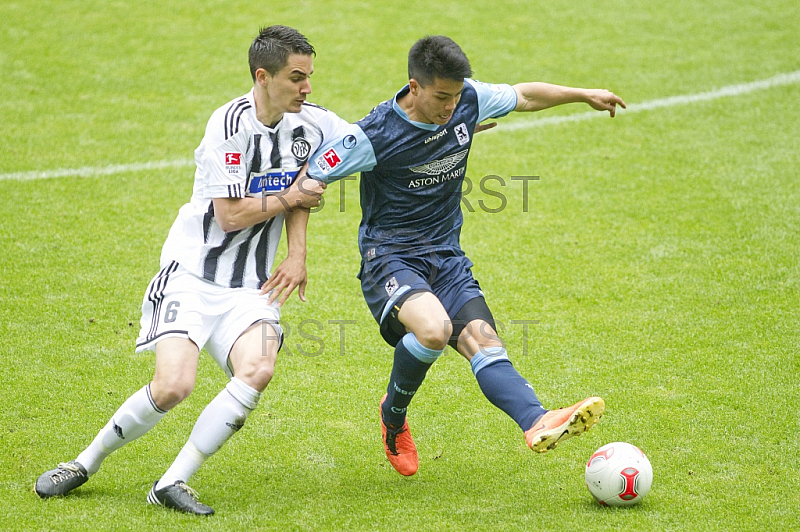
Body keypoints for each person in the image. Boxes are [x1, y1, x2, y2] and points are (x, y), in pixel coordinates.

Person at [34, 25, 349, 514]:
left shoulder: (312, 123)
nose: (307, 88)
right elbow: (231, 215)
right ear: (263, 77)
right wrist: (291, 196)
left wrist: (439, 123)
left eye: (309, 77)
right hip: (191, 275)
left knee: (258, 368)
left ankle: (173, 481)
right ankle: (85, 462)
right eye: (296, 78)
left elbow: (361, 144)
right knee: (174, 385)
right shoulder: (228, 126)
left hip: (250, 286)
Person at [306, 35, 626, 476]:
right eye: (441, 97)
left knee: (484, 342)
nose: (451, 107)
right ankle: (393, 418)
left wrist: (582, 94)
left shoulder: (468, 100)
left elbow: (525, 95)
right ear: (414, 87)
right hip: (391, 258)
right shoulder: (372, 135)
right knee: (435, 330)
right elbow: (308, 181)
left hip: (447, 257)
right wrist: (294, 252)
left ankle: (536, 420)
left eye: (456, 96)